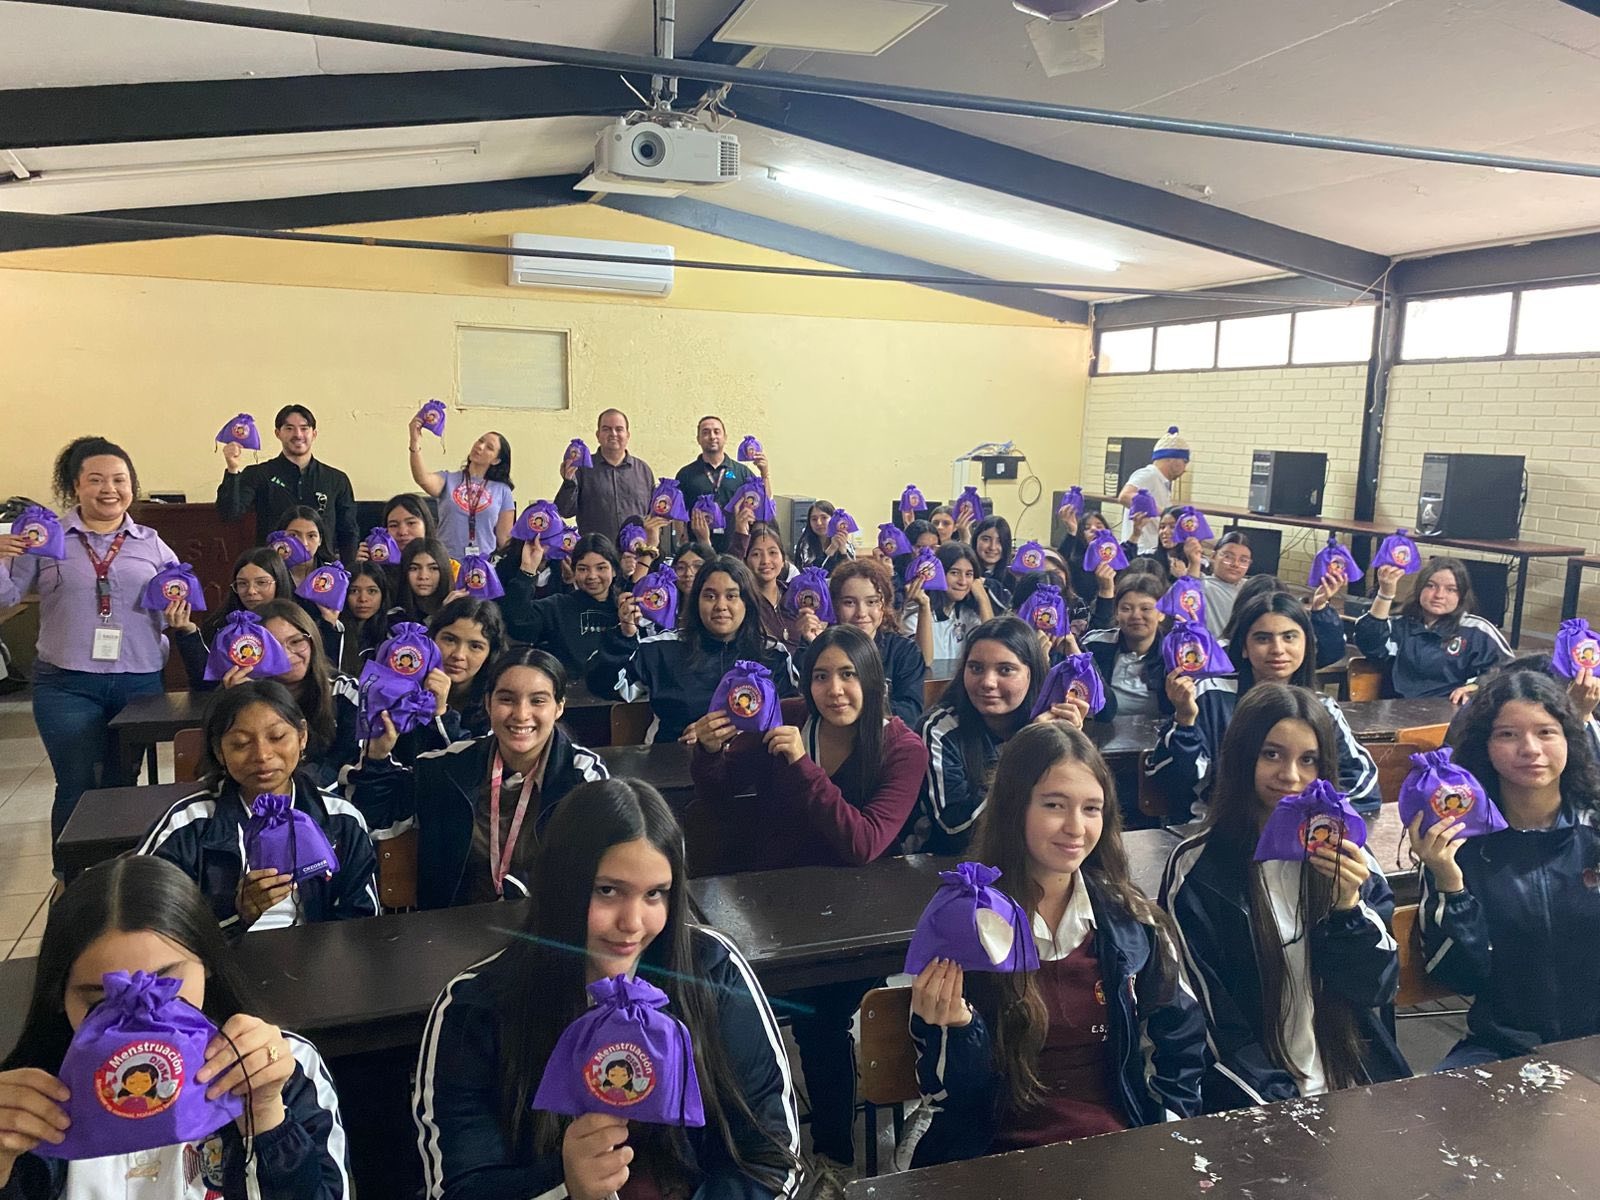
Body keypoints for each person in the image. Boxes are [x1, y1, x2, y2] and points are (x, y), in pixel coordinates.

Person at [412, 778, 801, 1199]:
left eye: (655, 894)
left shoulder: (711, 970)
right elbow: (461, 1188)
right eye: (608, 891)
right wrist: (565, 1184)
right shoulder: (476, 1007)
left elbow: (771, 1156)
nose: (632, 923)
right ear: (561, 885)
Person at [902, 723, 1205, 1166]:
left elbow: (1179, 1041)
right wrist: (958, 1032)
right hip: (996, 1156)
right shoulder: (966, 924)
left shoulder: (1130, 920)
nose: (1075, 827)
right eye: (1054, 805)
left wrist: (1165, 1138)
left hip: (1115, 1148)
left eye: (1092, 808)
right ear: (1014, 807)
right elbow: (951, 1099)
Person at [686, 625, 928, 1165]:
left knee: (822, 1020)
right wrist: (709, 752)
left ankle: (833, 1157)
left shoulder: (901, 748)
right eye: (821, 676)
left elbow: (863, 842)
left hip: (851, 923)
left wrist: (802, 765)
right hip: (772, 906)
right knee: (720, 1008)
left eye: (848, 675)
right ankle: (743, 1141)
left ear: (873, 681)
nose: (834, 690)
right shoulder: (789, 716)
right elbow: (722, 794)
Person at [0, 855, 352, 1198]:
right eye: (104, 1000)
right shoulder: (28, 1098)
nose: (142, 1020)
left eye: (164, 986)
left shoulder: (281, 1067)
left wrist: (265, 1115)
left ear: (207, 963)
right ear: (59, 995)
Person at [1160, 683, 1407, 1110]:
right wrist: (1283, 1106)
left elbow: (1377, 988)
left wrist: (1347, 907)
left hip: (1352, 1078)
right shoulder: (1196, 870)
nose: (1290, 775)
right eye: (1271, 754)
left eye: (1308, 760)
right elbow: (1215, 1022)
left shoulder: (1350, 853)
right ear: (1242, 758)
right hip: (1258, 1095)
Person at [0, 438, 174, 871]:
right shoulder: (45, 539)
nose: (109, 489)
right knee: (76, 784)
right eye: (96, 480)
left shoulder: (152, 543)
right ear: (75, 486)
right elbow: (6, 598)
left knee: (122, 783)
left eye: (119, 480)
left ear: (132, 486)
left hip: (139, 682)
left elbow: (174, 603)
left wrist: (178, 611)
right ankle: (71, 878)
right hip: (67, 684)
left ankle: (119, 875)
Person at [1415, 671, 1600, 1068]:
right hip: (1504, 1047)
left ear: (1570, 739)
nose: (1530, 749)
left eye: (1546, 732)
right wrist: (1450, 884)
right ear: (1485, 745)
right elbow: (1457, 977)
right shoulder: (1457, 843)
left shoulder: (1595, 828)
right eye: (1508, 735)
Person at [346, 648, 609, 906]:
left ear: (559, 707)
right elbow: (379, 819)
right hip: (454, 923)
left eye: (538, 701)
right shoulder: (448, 766)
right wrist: (377, 756)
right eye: (506, 699)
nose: (521, 714)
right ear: (488, 703)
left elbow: (596, 866)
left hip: (546, 920)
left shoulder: (582, 778)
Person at [136, 681, 378, 933]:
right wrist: (235, 913)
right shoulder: (186, 824)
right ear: (219, 751)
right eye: (241, 744)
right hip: (215, 956)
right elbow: (147, 924)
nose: (262, 755)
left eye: (277, 737)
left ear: (302, 736)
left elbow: (362, 922)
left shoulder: (341, 819)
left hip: (319, 954)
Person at [1149, 591, 1379, 823]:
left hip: (1298, 830)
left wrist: (1312, 816)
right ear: (1244, 647)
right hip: (1220, 826)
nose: (1277, 649)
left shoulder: (1321, 707)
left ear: (1307, 644)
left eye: (1289, 637)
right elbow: (1175, 782)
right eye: (1262, 639)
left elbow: (1362, 784)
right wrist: (1185, 720)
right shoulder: (1211, 695)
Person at [906, 616, 1086, 855]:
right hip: (957, 864)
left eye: (1005, 670)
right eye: (976, 668)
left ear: (1032, 673)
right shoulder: (940, 728)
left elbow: (1074, 812)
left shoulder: (1050, 722)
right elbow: (955, 831)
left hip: (1034, 855)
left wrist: (1071, 747)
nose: (988, 682)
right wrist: (1026, 750)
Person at [588, 557, 797, 745]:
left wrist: (720, 734)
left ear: (747, 603)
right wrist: (624, 636)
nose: (720, 606)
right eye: (710, 596)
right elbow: (604, 686)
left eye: (731, 596)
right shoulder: (661, 649)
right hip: (673, 760)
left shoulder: (772, 655)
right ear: (696, 601)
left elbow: (788, 720)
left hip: (747, 764)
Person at [1354, 555, 1512, 703]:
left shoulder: (1477, 630)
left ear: (1461, 595)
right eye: (1431, 586)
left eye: (1451, 589)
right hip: (1395, 710)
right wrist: (1385, 594)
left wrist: (1477, 686)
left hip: (1449, 713)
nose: (1439, 595)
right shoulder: (1400, 625)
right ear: (1419, 589)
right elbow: (1369, 643)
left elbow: (1511, 670)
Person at [217, 404, 358, 561]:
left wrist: (348, 570)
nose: (298, 434)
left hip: (321, 570)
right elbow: (229, 514)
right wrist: (232, 469)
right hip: (273, 567)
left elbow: (348, 531)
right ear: (278, 433)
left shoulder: (336, 479)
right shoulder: (258, 474)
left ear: (314, 434)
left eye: (304, 428)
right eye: (289, 428)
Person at [500, 534, 623, 673]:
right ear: (573, 571)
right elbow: (518, 623)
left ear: (614, 570)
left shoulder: (625, 608)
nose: (592, 576)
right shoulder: (558, 607)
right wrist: (527, 570)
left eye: (601, 568)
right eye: (583, 569)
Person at [830, 559, 927, 725]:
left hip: (886, 736)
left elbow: (910, 712)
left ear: (884, 605)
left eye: (872, 602)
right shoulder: (824, 648)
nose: (861, 613)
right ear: (835, 606)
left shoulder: (904, 651)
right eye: (849, 603)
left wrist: (853, 709)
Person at [408, 423, 516, 561]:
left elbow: (504, 538)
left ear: (496, 460)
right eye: (480, 440)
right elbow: (422, 479)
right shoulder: (448, 479)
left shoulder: (502, 490)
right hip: (446, 561)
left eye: (489, 447)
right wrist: (414, 442)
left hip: (483, 565)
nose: (480, 446)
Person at [555, 408, 656, 542]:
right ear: (598, 435)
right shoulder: (582, 469)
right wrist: (568, 482)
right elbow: (564, 511)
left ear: (627, 435)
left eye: (619, 429)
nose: (613, 434)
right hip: (595, 552)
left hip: (636, 551)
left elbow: (653, 515)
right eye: (606, 429)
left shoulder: (643, 471)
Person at [674, 416, 770, 552]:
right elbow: (678, 514)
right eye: (706, 432)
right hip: (698, 548)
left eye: (716, 431)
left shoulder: (742, 472)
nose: (712, 436)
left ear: (725, 437)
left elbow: (765, 503)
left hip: (736, 547)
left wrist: (764, 474)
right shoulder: (686, 474)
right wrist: (682, 542)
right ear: (698, 439)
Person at [1080, 571, 1164, 722]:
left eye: (1145, 609)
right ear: (1116, 613)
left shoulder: (1174, 654)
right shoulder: (1094, 645)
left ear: (1162, 613)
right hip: (1100, 732)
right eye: (1126, 609)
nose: (1136, 616)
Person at [903, 542, 995, 667]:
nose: (963, 582)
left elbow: (992, 650)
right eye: (954, 573)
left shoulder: (967, 614)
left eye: (969, 574)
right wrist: (924, 606)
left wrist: (983, 599)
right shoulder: (914, 616)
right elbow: (924, 662)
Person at [430, 596, 509, 741]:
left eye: (475, 646)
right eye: (450, 640)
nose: (458, 655)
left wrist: (441, 713)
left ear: (490, 653)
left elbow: (474, 753)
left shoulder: (496, 701)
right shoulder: (407, 689)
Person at [732, 521, 819, 651]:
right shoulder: (743, 602)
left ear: (783, 560)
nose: (765, 561)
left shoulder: (797, 597)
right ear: (745, 561)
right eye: (756, 554)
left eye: (772, 552)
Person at [1116, 426, 1190, 555]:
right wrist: (1165, 514)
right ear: (1173, 460)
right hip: (1142, 550)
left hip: (1153, 549)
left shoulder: (1161, 481)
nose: (1185, 469)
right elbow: (1125, 496)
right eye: (1185, 462)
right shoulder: (1149, 475)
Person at [337, 562, 392, 675]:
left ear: (383, 595)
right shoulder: (332, 631)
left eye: (371, 591)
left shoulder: (393, 634)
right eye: (354, 591)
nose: (363, 599)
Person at [390, 536, 458, 625]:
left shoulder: (458, 610)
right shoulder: (394, 616)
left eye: (433, 568)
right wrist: (442, 616)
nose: (423, 576)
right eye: (414, 568)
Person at [1201, 531, 1252, 638]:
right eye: (1228, 557)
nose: (1235, 564)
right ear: (1213, 556)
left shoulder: (1253, 589)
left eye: (1243, 560)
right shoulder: (1201, 586)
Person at [274, 505, 334, 587]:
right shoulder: (270, 572)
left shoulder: (333, 575)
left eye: (311, 536)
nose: (304, 543)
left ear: (320, 540)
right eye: (293, 535)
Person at [791, 501, 855, 572]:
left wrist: (843, 551)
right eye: (814, 519)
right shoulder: (805, 544)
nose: (819, 523)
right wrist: (831, 549)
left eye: (824, 518)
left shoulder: (844, 541)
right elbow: (812, 574)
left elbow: (853, 573)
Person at [971, 515, 1015, 610]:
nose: (992, 547)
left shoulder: (1012, 579)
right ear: (975, 540)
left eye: (999, 541)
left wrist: (987, 583)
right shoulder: (967, 575)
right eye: (986, 539)